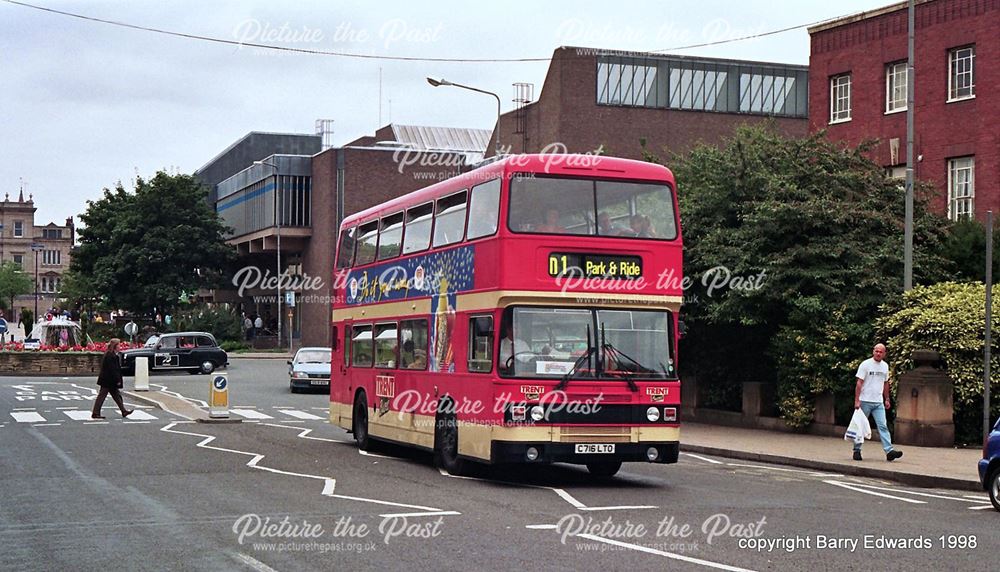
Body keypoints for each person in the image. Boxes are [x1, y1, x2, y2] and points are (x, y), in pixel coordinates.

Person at [852, 343, 903, 462]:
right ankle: (857, 450)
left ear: (884, 354)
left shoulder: (885, 366)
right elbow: (859, 382)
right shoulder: (865, 364)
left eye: (881, 352)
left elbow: (885, 383)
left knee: (883, 426)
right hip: (865, 400)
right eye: (877, 351)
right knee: (860, 426)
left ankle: (889, 451)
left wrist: (887, 399)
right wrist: (857, 400)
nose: (878, 354)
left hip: (878, 401)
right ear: (873, 351)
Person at [91, 338, 134, 419]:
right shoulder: (110, 355)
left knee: (117, 396)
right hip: (108, 380)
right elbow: (113, 370)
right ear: (115, 346)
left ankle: (123, 411)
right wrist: (117, 380)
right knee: (102, 396)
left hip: (108, 380)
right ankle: (95, 413)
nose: (120, 347)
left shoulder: (111, 354)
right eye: (119, 345)